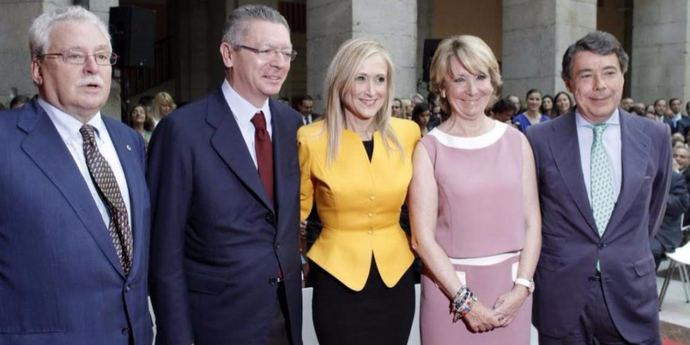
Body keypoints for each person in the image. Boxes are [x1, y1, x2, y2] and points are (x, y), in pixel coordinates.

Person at [147, 4, 302, 345]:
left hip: (284, 319)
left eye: (286, 52)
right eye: (265, 51)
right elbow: (164, 251)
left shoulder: (292, 125)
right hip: (214, 325)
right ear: (228, 54)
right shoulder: (181, 132)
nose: (279, 63)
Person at [0, 6, 152, 345]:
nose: (92, 68)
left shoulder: (128, 142)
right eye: (74, 56)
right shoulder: (5, 142)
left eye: (102, 56)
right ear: (37, 69)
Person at [526, 31, 671, 345]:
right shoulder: (539, 140)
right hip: (561, 297)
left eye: (609, 73)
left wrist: (627, 254)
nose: (599, 86)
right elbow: (530, 215)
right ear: (569, 83)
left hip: (632, 295)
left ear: (622, 77)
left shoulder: (655, 136)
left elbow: (653, 211)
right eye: (586, 75)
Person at [409, 34, 541, 344]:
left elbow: (533, 222)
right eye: (459, 79)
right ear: (442, 86)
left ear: (493, 82)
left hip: (512, 294)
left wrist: (522, 286)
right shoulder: (428, 149)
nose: (472, 90)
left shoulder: (517, 141)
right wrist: (465, 302)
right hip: (450, 296)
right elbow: (421, 239)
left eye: (481, 77)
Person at [298, 38, 419, 345]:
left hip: (396, 280)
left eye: (380, 79)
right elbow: (294, 216)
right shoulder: (311, 139)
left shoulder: (408, 134)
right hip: (336, 282)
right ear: (341, 82)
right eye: (360, 78)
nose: (371, 90)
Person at [651, 168, 689, 268]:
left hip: (662, 232)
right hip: (635, 229)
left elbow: (682, 204)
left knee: (648, 250)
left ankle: (645, 283)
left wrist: (657, 196)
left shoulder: (674, 177)